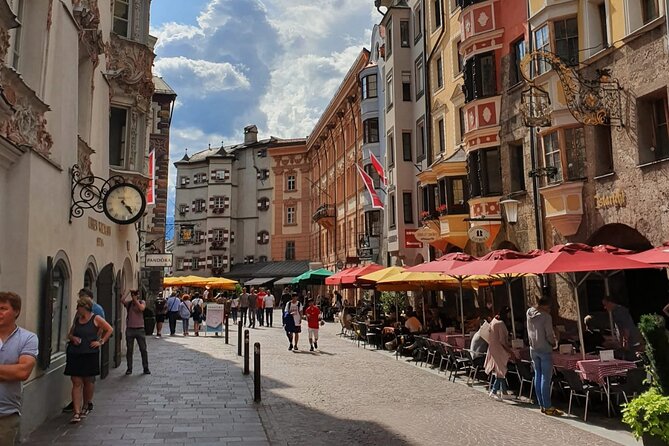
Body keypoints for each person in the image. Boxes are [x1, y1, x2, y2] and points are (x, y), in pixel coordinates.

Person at [65, 296, 113, 423]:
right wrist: (73, 338)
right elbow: (70, 334)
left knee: (88, 381)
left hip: (89, 353)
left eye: (78, 308)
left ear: (84, 308)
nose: (77, 310)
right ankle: (76, 412)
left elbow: (109, 329)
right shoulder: (77, 319)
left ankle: (86, 404)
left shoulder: (96, 319)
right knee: (76, 382)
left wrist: (100, 341)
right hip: (75, 353)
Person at [0, 292, 38, 445]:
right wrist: (9, 372)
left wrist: (16, 371)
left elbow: (23, 372)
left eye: (3, 308)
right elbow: (16, 371)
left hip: (6, 414)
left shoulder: (27, 338)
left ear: (16, 311)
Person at [527, 297, 562, 416]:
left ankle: (541, 404)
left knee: (537, 375)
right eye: (549, 307)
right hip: (545, 348)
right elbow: (549, 334)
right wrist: (554, 343)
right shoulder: (546, 317)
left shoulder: (529, 312)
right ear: (545, 306)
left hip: (533, 348)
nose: (550, 309)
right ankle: (548, 406)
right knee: (545, 378)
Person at [484, 307, 513, 401]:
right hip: (499, 349)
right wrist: (509, 351)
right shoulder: (500, 324)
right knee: (501, 370)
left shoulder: (494, 321)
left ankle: (504, 392)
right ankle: (494, 390)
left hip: (493, 348)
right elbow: (502, 341)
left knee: (500, 370)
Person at [122, 290, 150, 375]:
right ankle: (129, 368)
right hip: (130, 329)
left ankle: (145, 368)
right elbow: (122, 300)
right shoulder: (129, 304)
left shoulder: (142, 302)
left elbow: (142, 308)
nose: (133, 296)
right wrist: (128, 292)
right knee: (129, 350)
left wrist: (136, 300)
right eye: (133, 295)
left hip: (140, 329)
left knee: (143, 349)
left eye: (135, 294)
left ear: (138, 295)